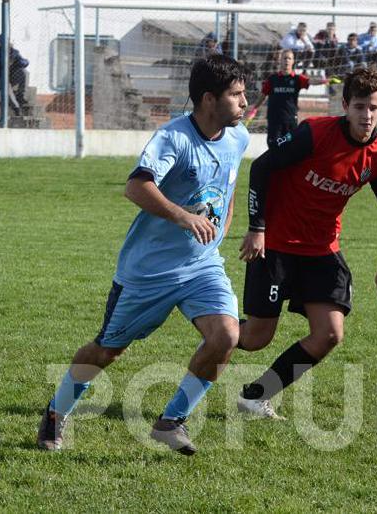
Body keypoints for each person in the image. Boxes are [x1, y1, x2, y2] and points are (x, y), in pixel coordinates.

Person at [37, 54, 250, 456]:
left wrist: (220, 233)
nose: (244, 102)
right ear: (208, 99)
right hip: (149, 272)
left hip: (203, 266)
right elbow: (136, 187)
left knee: (226, 336)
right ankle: (55, 413)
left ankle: (171, 422)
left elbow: (229, 183)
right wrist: (185, 217)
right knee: (107, 351)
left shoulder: (238, 137)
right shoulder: (174, 138)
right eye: (236, 94)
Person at [235, 66, 377, 420]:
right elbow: (262, 168)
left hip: (321, 250)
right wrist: (257, 227)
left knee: (329, 334)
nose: (366, 115)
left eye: (373, 107)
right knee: (255, 339)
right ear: (345, 105)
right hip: (276, 244)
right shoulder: (315, 134)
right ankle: (215, 327)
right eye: (359, 106)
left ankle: (256, 396)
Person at [244, 49, 339, 148]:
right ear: (280, 61)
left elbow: (312, 81)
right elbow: (263, 96)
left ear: (293, 61)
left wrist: (326, 81)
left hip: (290, 120)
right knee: (274, 147)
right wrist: (254, 109)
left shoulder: (297, 79)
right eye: (284, 58)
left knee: (290, 147)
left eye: (289, 58)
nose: (287, 61)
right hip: (274, 119)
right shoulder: (272, 79)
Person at [0, 36, 30, 114]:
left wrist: (17, 62)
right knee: (6, 86)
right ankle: (16, 108)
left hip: (11, 76)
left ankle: (21, 96)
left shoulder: (13, 51)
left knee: (24, 72)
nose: (3, 42)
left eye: (5, 40)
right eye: (1, 40)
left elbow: (25, 62)